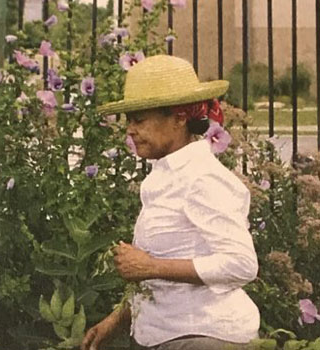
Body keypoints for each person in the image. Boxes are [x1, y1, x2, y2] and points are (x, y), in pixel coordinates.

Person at [82, 55, 259, 350]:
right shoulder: (164, 176)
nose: (130, 130)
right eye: (128, 120)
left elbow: (241, 264)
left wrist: (152, 266)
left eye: (140, 119)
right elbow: (160, 273)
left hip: (203, 337)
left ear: (179, 118)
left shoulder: (203, 178)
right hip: (167, 334)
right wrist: (116, 320)